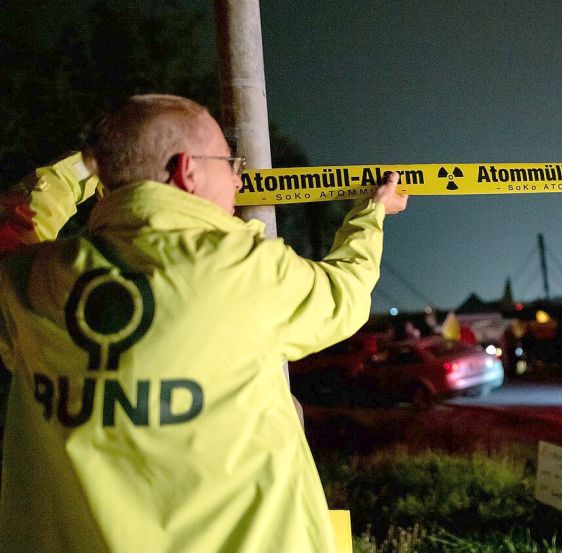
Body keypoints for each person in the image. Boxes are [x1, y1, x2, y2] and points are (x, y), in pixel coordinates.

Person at [0, 94, 407, 553]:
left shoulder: (31, 281)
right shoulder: (242, 268)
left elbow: (16, 220)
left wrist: (89, 165)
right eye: (228, 162)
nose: (238, 178)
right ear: (186, 170)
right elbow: (344, 295)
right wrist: (371, 215)